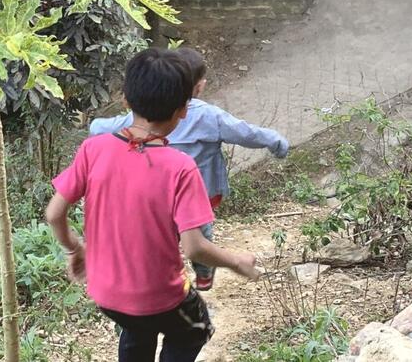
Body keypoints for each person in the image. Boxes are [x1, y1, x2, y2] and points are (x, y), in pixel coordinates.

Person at [46, 48, 259, 362]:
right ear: (183, 110)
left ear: (126, 102)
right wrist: (236, 261)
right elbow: (196, 248)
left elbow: (54, 213)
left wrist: (75, 249)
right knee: (195, 328)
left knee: (136, 326)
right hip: (159, 296)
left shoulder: (94, 149)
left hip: (106, 294)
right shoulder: (181, 167)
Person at [89, 47, 289, 290]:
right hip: (201, 194)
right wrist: (275, 141)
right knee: (200, 234)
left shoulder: (143, 118)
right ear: (198, 86)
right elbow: (245, 132)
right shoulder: (209, 116)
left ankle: (165, 274)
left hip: (158, 194)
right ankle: (203, 273)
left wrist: (95, 126)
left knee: (165, 233)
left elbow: (104, 127)